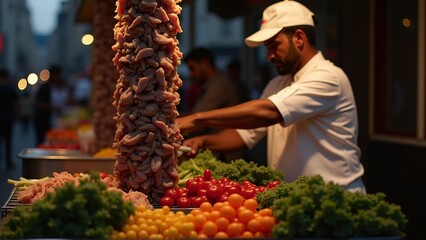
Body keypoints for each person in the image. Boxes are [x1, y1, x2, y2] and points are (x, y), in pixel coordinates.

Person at [176, 0, 366, 193]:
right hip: (293, 198)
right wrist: (205, 142)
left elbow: (268, 112)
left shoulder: (328, 77)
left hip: (335, 197)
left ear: (299, 38)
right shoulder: (278, 83)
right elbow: (246, 134)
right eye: (267, 48)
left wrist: (197, 119)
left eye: (274, 46)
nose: (270, 56)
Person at [183, 47, 243, 162]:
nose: (191, 74)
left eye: (192, 69)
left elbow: (196, 118)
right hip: (216, 151)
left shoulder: (220, 84)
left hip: (225, 155)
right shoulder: (210, 84)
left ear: (205, 64)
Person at [34, 65, 73, 145]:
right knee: (42, 141)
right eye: (58, 75)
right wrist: (54, 109)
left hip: (52, 121)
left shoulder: (59, 86)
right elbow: (39, 104)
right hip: (43, 121)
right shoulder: (44, 87)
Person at [0, 69, 18, 168]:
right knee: (8, 141)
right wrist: (15, 116)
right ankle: (8, 162)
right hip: (8, 119)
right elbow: (15, 105)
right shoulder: (11, 89)